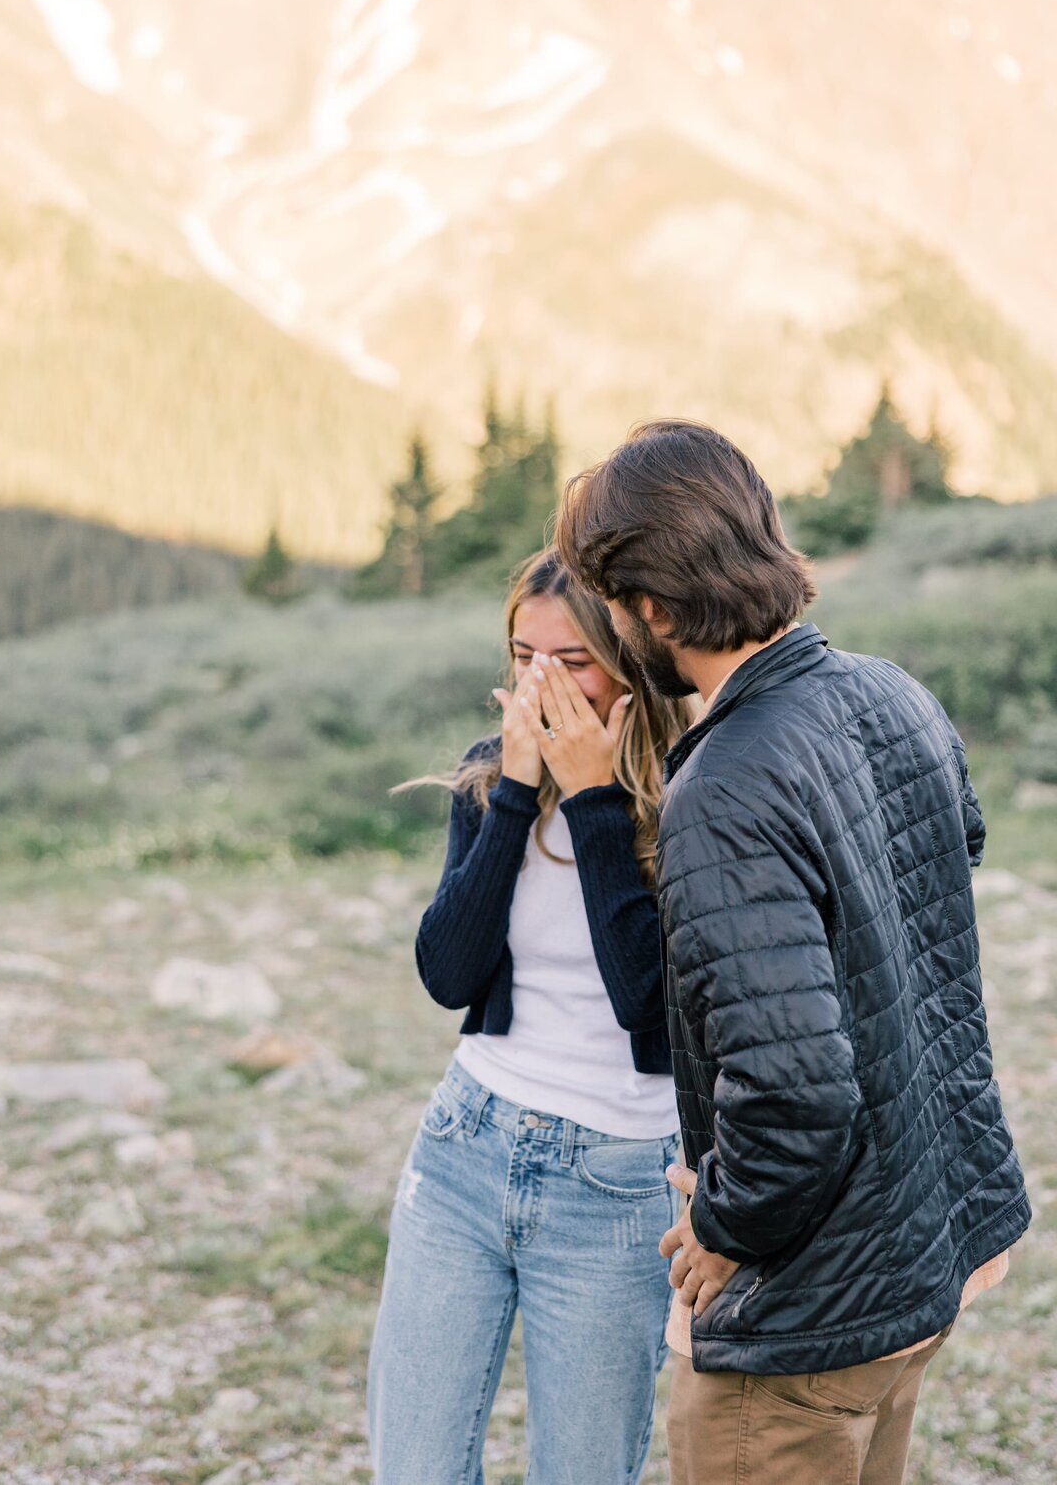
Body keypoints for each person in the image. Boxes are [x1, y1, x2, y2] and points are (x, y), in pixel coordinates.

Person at [555, 419, 1031, 1485]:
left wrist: (723, 1225)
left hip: (809, 1317)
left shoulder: (720, 786)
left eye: (608, 600)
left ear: (652, 609)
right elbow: (947, 866)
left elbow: (795, 1091)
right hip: (923, 1256)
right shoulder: (892, 691)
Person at [367, 548, 691, 1484]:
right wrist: (515, 791)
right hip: (465, 1150)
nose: (542, 681)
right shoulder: (489, 777)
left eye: (574, 659)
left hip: (619, 1185)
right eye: (522, 655)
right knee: (416, 1468)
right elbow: (447, 973)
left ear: (631, 659)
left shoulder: (689, 788)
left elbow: (654, 1010)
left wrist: (592, 796)